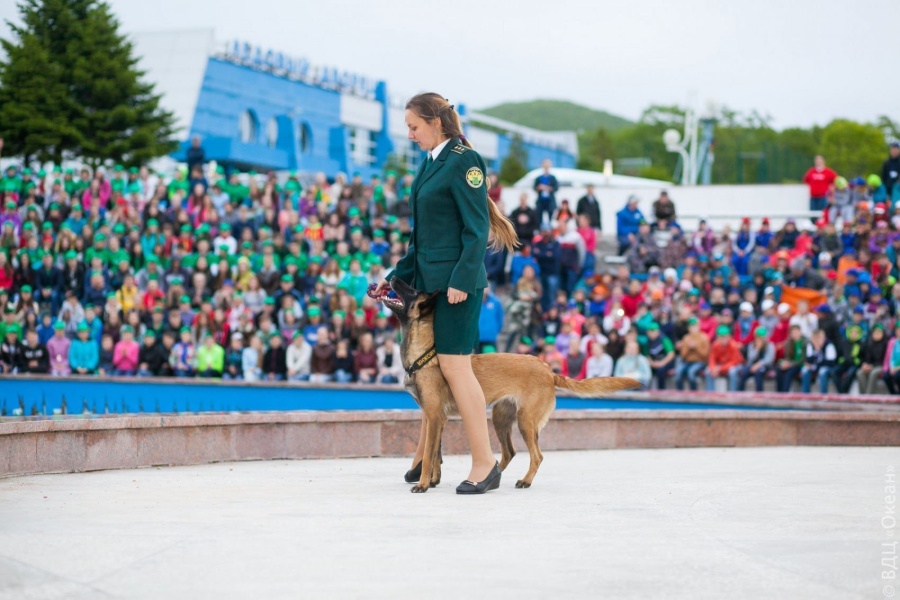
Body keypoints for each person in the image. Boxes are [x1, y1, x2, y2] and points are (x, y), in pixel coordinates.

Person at [373, 92, 517, 494]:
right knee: (433, 372)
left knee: (455, 368)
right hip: (430, 284)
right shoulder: (429, 163)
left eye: (414, 126)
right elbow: (422, 240)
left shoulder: (465, 160)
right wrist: (394, 278)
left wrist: (461, 280)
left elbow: (476, 229)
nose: (410, 134)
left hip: (457, 287)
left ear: (435, 122)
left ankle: (485, 463)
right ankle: (427, 459)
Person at [705, 325, 744, 391]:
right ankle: (710, 393)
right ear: (718, 337)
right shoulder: (715, 345)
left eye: (725, 337)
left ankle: (733, 393)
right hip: (722, 365)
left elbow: (734, 362)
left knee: (732, 372)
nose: (723, 339)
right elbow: (712, 358)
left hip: (735, 365)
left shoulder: (733, 345)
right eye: (721, 337)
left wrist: (720, 368)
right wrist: (713, 368)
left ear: (729, 336)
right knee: (708, 371)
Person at [675, 317, 709, 391]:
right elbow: (683, 355)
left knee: (691, 372)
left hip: (700, 362)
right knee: (678, 373)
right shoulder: (686, 338)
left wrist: (696, 347)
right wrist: (689, 348)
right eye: (691, 326)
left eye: (694, 325)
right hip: (687, 362)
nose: (693, 328)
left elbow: (705, 355)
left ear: (698, 326)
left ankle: (694, 393)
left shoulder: (704, 337)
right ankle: (680, 393)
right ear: (688, 328)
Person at [801, 329, 837, 394]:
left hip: (827, 367)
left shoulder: (829, 345)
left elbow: (830, 362)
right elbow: (808, 360)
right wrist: (816, 351)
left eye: (818, 339)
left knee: (822, 371)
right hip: (815, 366)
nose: (816, 341)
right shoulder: (811, 345)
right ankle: (805, 394)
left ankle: (823, 395)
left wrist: (817, 365)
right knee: (804, 370)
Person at [739, 326, 774, 392]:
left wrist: (758, 365)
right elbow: (750, 358)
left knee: (758, 373)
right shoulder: (751, 345)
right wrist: (757, 349)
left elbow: (769, 360)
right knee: (743, 373)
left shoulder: (770, 345)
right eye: (758, 337)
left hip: (765, 367)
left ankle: (759, 394)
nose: (759, 339)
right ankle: (740, 393)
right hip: (752, 366)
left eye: (761, 338)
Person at [857, 324, 887, 395]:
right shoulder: (868, 343)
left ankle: (869, 395)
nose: (877, 334)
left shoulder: (886, 344)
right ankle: (863, 395)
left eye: (879, 332)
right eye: (875, 332)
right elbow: (865, 357)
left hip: (881, 366)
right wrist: (865, 364)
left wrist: (872, 366)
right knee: (860, 373)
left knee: (873, 373)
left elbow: (885, 360)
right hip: (871, 365)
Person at [533, 159, 558, 226]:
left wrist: (547, 188)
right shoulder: (539, 178)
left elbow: (556, 188)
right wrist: (539, 188)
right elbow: (535, 187)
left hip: (550, 201)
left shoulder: (553, 178)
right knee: (539, 216)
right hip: (541, 201)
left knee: (551, 217)